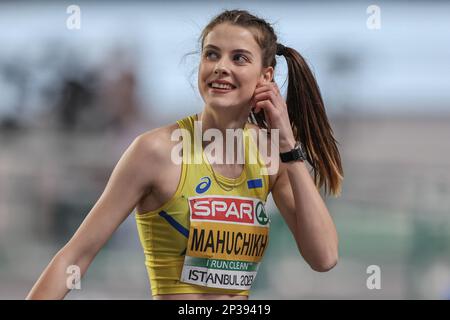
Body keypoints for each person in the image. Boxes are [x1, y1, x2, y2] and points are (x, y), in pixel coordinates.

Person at [26, 9, 343, 300]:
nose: (221, 67)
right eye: (212, 55)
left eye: (239, 58)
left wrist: (288, 145)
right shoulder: (154, 151)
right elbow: (75, 255)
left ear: (266, 77)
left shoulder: (272, 153)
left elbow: (324, 257)